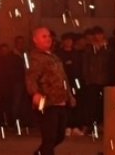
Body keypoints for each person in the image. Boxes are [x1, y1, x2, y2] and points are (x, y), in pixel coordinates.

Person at [25, 26, 73, 155]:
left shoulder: (53, 57)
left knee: (60, 135)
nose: (48, 39)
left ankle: (39, 153)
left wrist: (69, 96)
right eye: (44, 36)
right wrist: (35, 93)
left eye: (48, 36)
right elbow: (31, 77)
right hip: (46, 102)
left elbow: (63, 77)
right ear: (35, 40)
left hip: (60, 101)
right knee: (49, 137)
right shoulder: (35, 58)